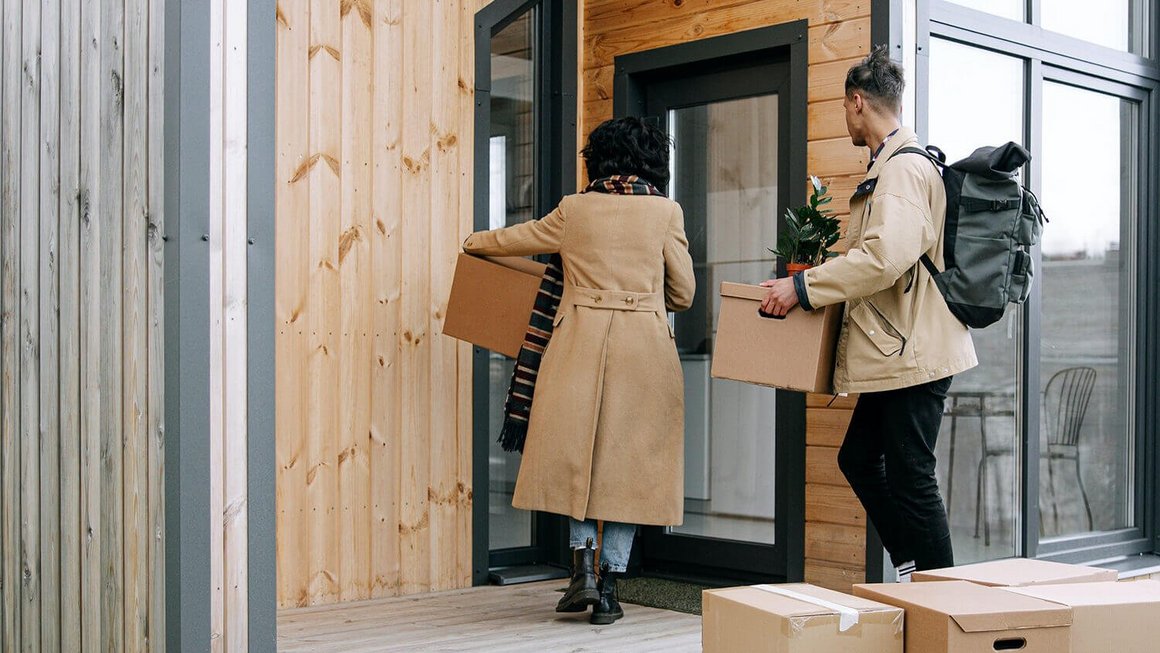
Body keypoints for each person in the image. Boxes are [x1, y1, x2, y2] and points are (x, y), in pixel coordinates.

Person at [462, 117, 695, 623]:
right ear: (652, 162)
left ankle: (582, 571)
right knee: (633, 467)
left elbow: (514, 239)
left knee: (578, 458)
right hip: (645, 350)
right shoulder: (665, 212)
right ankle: (609, 588)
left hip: (576, 343)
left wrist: (473, 242)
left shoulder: (575, 209)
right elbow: (684, 293)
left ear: (601, 158)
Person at [759, 46, 976, 579]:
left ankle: (941, 600)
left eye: (843, 107)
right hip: (901, 347)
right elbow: (880, 259)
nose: (845, 118)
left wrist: (803, 288)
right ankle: (915, 569)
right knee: (860, 459)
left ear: (857, 102)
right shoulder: (894, 166)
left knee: (913, 476)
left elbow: (882, 259)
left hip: (915, 350)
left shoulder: (902, 170)